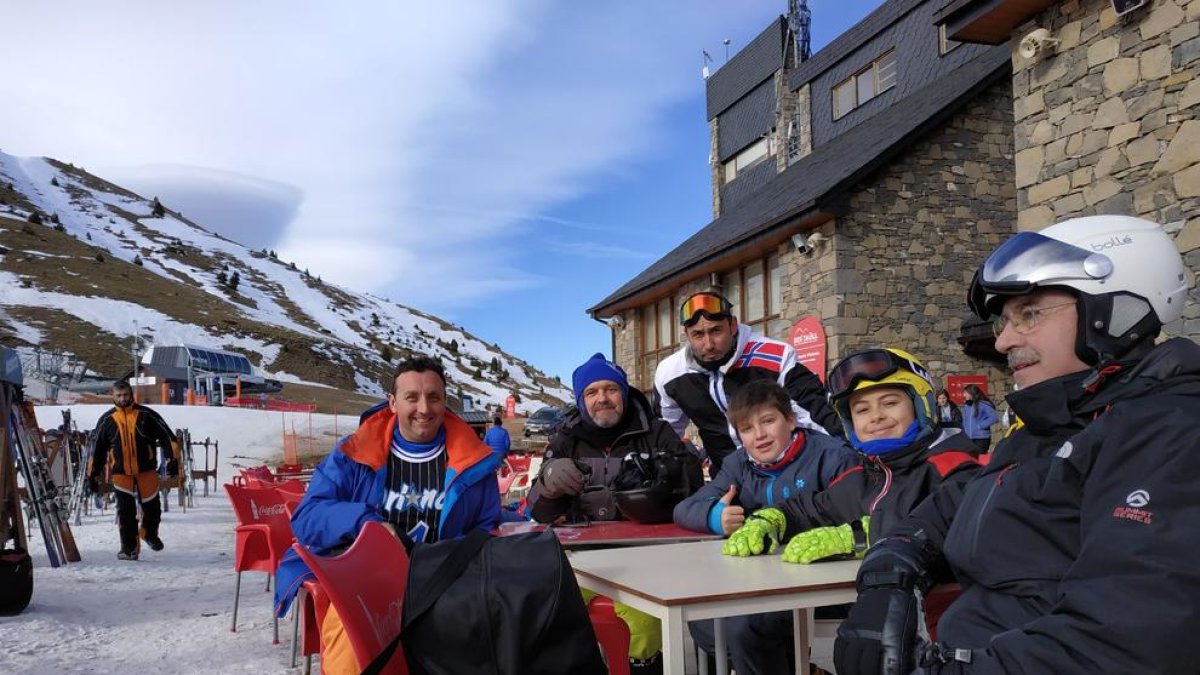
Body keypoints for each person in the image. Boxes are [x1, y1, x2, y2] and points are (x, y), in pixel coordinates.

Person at [834, 215, 1200, 675]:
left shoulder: (1167, 429)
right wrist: (891, 569)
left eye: (1029, 314)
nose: (1004, 340)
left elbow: (1133, 634)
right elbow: (951, 507)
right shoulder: (1048, 429)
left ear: (1113, 312)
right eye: (1006, 321)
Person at [274, 356, 501, 675]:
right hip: (365, 585)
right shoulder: (353, 454)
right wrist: (365, 523)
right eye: (412, 397)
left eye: (433, 397)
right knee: (353, 649)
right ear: (393, 403)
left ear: (445, 401)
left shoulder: (475, 462)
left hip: (446, 584)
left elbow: (486, 527)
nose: (424, 408)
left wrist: (447, 559)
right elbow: (308, 517)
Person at [673, 379, 857, 675]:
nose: (759, 436)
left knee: (745, 628)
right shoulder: (739, 464)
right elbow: (684, 509)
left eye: (768, 421)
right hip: (758, 583)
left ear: (791, 419)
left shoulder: (831, 456)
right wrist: (714, 516)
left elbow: (856, 510)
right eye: (746, 428)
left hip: (823, 582)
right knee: (704, 621)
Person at [528, 353, 689, 673]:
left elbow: (691, 485)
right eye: (592, 392)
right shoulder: (564, 439)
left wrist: (659, 481)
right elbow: (537, 511)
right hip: (578, 560)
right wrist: (548, 483)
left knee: (642, 622)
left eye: (611, 389)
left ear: (624, 393)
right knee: (542, 613)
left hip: (646, 559)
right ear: (581, 399)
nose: (602, 398)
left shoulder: (657, 432)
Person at [654, 291, 840, 477]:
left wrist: (845, 460)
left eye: (716, 330)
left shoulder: (776, 356)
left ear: (733, 326)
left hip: (785, 469)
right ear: (686, 334)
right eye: (698, 334)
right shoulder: (669, 373)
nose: (708, 344)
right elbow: (665, 434)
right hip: (727, 473)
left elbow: (816, 416)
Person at [89, 380, 179, 560]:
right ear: (113, 397)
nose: (122, 399)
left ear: (131, 395)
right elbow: (97, 449)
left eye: (125, 395)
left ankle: (149, 533)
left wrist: (172, 459)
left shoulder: (147, 415)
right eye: (118, 396)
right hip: (121, 474)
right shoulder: (107, 420)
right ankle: (129, 548)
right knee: (125, 512)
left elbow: (167, 437)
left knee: (152, 507)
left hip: (146, 470)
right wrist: (92, 474)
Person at [959, 383, 997, 452]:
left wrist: (981, 425)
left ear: (971, 393)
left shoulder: (984, 404)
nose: (964, 395)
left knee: (980, 459)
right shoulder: (967, 406)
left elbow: (994, 417)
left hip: (981, 438)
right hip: (969, 438)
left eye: (966, 393)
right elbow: (965, 420)